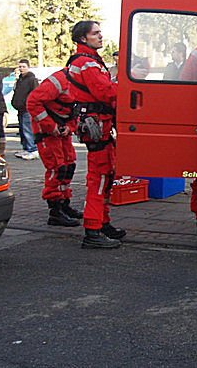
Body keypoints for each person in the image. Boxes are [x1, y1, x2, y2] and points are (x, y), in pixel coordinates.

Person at [67, 20, 124, 249]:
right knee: (99, 179)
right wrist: (128, 85)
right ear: (83, 38)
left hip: (99, 127)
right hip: (96, 128)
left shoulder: (89, 61)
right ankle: (92, 230)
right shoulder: (87, 64)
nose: (101, 36)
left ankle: (102, 222)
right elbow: (107, 92)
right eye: (95, 33)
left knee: (106, 175)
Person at [26, 67, 82, 227]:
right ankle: (55, 211)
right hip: (46, 131)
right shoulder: (59, 81)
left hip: (62, 128)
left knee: (69, 165)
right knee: (56, 167)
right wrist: (51, 126)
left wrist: (70, 127)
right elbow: (33, 102)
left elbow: (76, 110)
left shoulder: (82, 83)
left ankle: (64, 204)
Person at [11, 59, 40, 160]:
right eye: (20, 67)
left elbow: (35, 93)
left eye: (23, 66)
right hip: (20, 108)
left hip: (27, 108)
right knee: (22, 129)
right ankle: (26, 148)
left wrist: (30, 104)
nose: (21, 69)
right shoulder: (20, 79)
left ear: (28, 67)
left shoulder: (32, 79)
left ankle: (33, 149)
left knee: (28, 129)